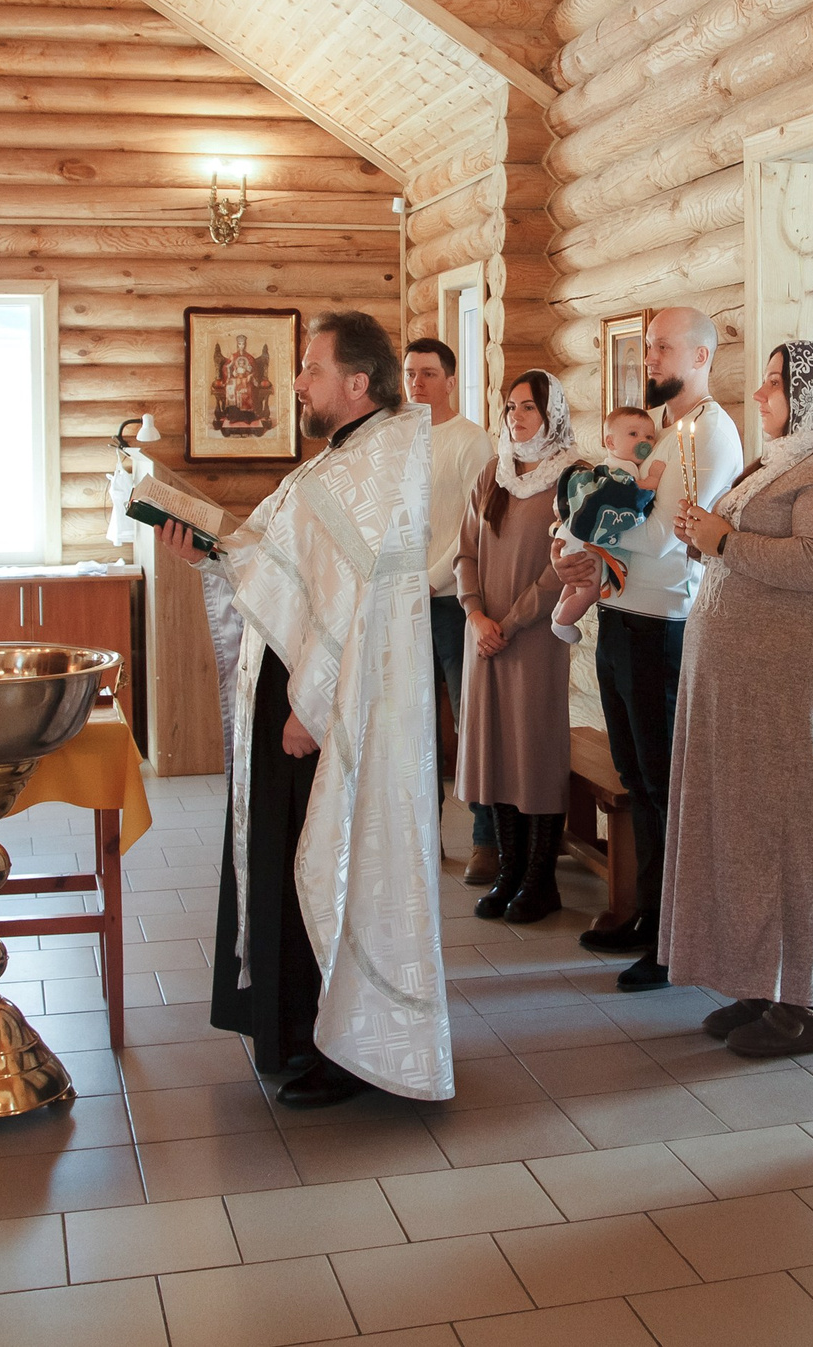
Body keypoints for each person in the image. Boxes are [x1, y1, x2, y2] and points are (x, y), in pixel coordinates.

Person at [157, 312, 452, 1109]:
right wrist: (207, 548)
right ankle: (290, 1026)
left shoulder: (377, 467)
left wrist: (311, 705)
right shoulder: (341, 458)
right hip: (298, 694)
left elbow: (356, 607)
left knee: (327, 861)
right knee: (284, 859)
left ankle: (343, 1045)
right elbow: (283, 561)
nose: (296, 383)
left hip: (333, 712)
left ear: (358, 382)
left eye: (312, 369)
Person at [667, 342, 813, 1057]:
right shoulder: (782, 458)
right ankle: (761, 981)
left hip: (799, 681)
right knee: (749, 832)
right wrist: (703, 538)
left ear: (812, 393)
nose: (761, 395)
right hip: (747, 683)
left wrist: (724, 541)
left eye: (774, 383)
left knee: (798, 835)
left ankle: (811, 1004)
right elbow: (738, 545)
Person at [550, 307, 742, 991]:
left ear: (700, 356)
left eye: (663, 347)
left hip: (664, 623)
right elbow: (631, 517)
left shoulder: (710, 431)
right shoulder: (664, 430)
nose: (650, 358)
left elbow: (662, 538)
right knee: (636, 777)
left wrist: (589, 545)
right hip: (622, 616)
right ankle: (645, 913)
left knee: (662, 783)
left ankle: (672, 938)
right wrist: (586, 554)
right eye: (649, 346)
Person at [456, 370, 579, 925]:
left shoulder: (574, 476)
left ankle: (540, 878)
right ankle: (509, 871)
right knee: (497, 753)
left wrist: (510, 621)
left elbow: (566, 567)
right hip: (485, 637)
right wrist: (476, 615)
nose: (517, 416)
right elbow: (465, 552)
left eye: (529, 407)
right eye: (511, 407)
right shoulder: (495, 472)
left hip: (536, 637)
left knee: (535, 752)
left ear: (553, 413)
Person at [403, 337, 499, 885]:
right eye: (410, 373)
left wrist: (430, 581)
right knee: (415, 723)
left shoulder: (471, 441)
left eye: (428, 373)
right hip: (405, 602)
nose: (417, 383)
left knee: (469, 721)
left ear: (451, 380)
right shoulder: (399, 439)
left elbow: (475, 525)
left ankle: (486, 839)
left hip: (454, 601)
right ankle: (424, 835)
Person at [550, 406, 664, 642]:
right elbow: (628, 494)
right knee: (588, 592)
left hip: (573, 536)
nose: (643, 441)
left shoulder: (610, 465)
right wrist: (653, 479)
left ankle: (559, 610)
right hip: (584, 540)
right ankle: (563, 623)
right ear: (610, 442)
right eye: (633, 434)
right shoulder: (622, 468)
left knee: (578, 582)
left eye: (649, 437)